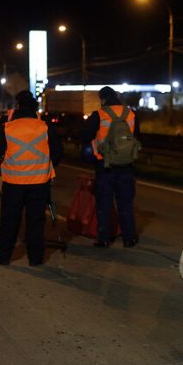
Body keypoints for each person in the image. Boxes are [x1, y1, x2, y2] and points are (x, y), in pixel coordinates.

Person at [0, 90, 63, 266]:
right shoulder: (45, 126)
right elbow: (58, 153)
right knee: (36, 221)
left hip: (13, 182)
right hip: (39, 183)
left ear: (18, 106)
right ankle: (35, 259)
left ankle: (3, 257)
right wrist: (44, 166)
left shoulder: (8, 126)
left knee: (9, 220)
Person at [79, 86, 139, 248]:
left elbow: (84, 135)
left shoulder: (99, 115)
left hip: (105, 166)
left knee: (104, 203)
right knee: (125, 204)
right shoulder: (131, 113)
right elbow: (136, 136)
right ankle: (129, 238)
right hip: (126, 165)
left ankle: (104, 238)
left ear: (103, 99)